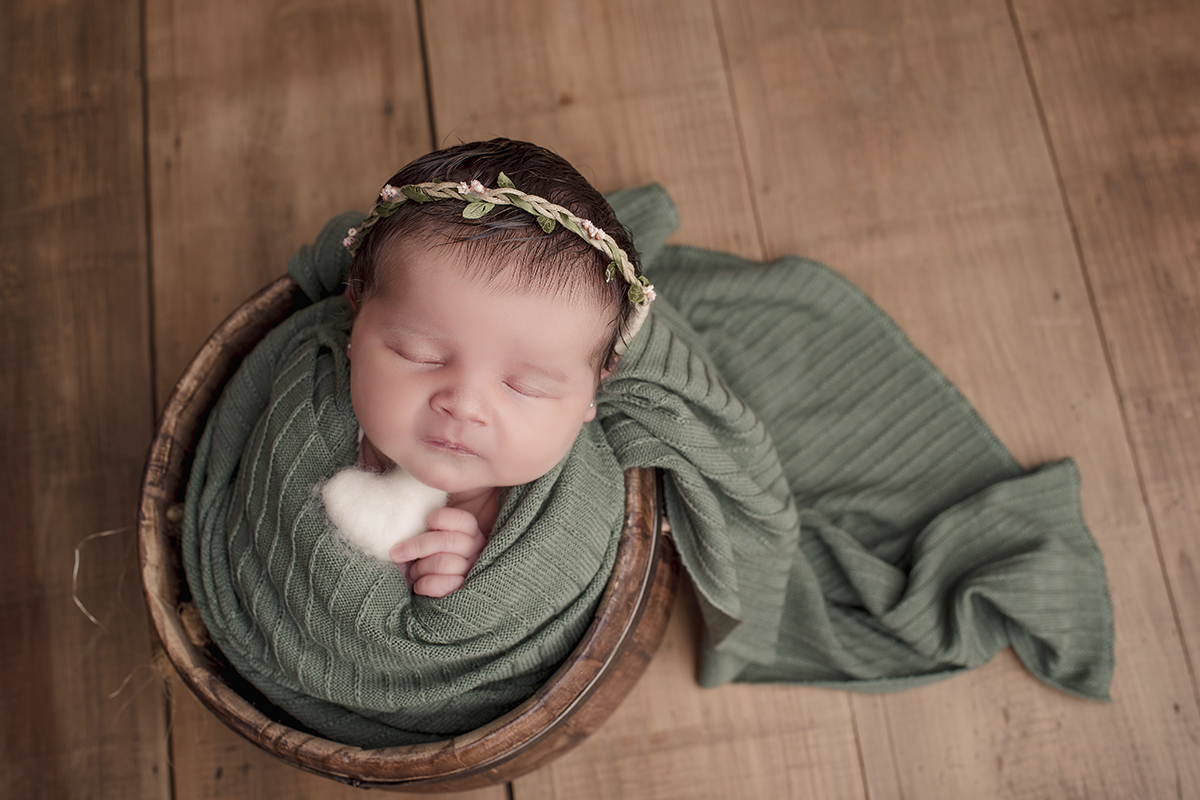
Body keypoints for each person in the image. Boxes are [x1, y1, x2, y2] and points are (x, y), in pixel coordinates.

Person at [333, 139, 655, 597]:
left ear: (592, 393)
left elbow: (525, 604)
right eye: (420, 355)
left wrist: (470, 574)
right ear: (356, 315)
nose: (464, 406)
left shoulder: (556, 528)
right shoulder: (311, 412)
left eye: (526, 386)